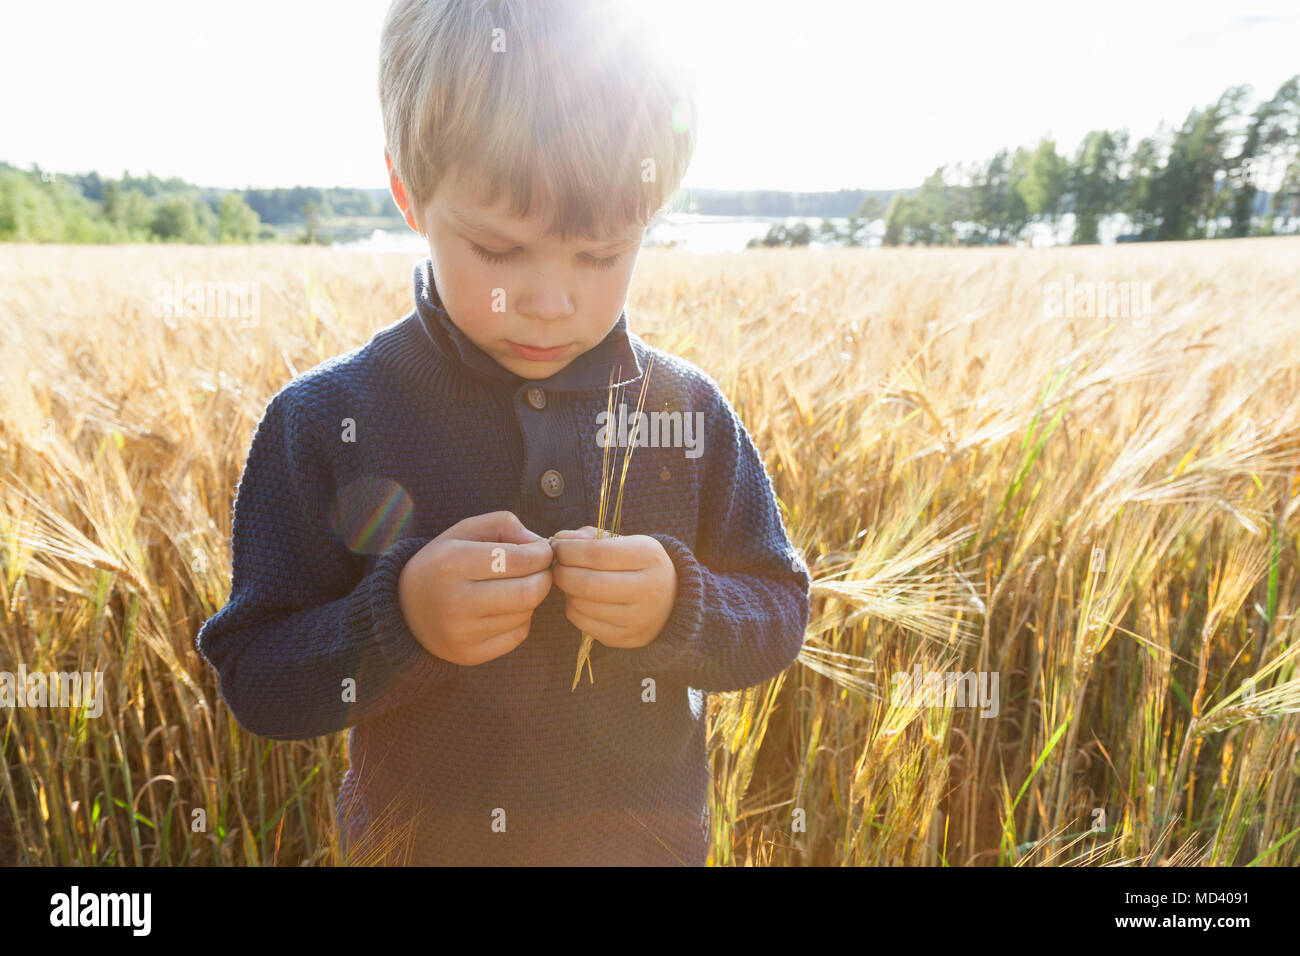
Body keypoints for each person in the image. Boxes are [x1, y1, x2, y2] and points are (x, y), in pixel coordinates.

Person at [196, 0, 810, 865]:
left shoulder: (688, 414)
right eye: (497, 249)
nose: (550, 300)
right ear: (409, 194)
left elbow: (780, 609)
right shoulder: (328, 420)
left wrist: (684, 603)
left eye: (600, 256)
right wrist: (398, 623)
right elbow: (258, 677)